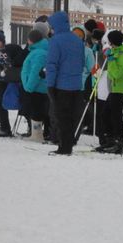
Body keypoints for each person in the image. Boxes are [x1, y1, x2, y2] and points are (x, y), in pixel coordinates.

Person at [46, 11, 85, 155]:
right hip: (76, 85)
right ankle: (68, 145)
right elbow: (81, 63)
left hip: (61, 86)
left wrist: (50, 85)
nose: (51, 28)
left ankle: (64, 147)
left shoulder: (55, 41)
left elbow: (51, 65)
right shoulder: (77, 40)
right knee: (71, 117)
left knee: (62, 117)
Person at [96, 30, 123, 154]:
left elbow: (117, 73)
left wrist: (111, 60)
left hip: (119, 89)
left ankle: (118, 141)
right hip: (113, 89)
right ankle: (110, 139)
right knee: (106, 114)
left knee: (115, 116)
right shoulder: (116, 52)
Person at [20, 29, 48, 142]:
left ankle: (36, 135)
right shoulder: (38, 50)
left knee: (36, 111)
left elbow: (35, 71)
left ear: (32, 40)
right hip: (37, 87)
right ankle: (36, 133)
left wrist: (29, 86)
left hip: (36, 87)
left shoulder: (39, 53)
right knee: (36, 110)